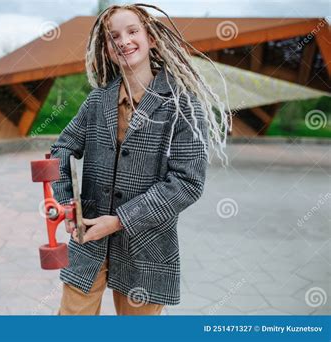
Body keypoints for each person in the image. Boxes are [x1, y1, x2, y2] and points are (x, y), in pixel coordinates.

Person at [50, 3, 232, 315]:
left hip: (147, 245)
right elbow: (60, 150)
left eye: (132, 31)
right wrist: (66, 204)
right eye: (113, 37)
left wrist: (121, 220)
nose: (123, 41)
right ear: (107, 49)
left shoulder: (183, 106)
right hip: (88, 236)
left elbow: (187, 183)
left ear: (151, 39)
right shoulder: (96, 101)